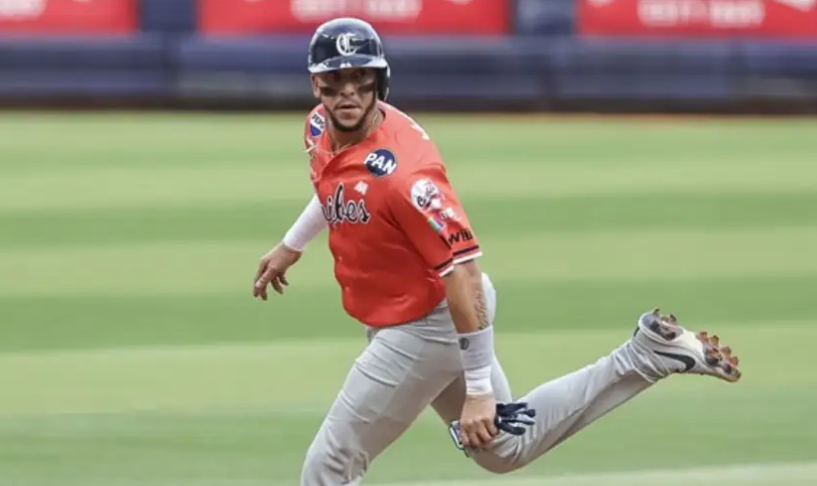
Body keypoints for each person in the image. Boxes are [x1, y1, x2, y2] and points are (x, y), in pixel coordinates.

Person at [252, 17, 742, 486]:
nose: (348, 93)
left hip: (429, 323)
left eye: (360, 79)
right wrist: (291, 245)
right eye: (334, 81)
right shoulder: (319, 127)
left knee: (330, 464)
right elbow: (337, 184)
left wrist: (480, 390)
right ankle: (646, 355)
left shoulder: (408, 177)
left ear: (380, 81)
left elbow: (463, 274)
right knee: (504, 448)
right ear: (316, 85)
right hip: (406, 315)